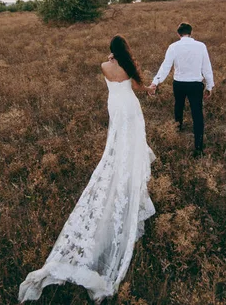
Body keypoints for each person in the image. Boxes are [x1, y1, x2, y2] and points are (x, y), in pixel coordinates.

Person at [18, 35, 156, 303]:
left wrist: (111, 60)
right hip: (129, 107)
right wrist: (148, 87)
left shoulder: (104, 66)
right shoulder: (128, 66)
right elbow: (138, 86)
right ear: (124, 50)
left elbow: (113, 75)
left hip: (115, 107)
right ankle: (128, 168)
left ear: (110, 51)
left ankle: (120, 161)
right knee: (131, 141)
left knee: (116, 140)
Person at [150, 22, 214, 155]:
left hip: (179, 83)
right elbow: (206, 68)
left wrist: (156, 82)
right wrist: (209, 86)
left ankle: (177, 130)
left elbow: (165, 66)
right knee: (197, 113)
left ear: (178, 34)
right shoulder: (201, 46)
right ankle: (198, 147)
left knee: (178, 106)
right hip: (195, 84)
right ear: (191, 33)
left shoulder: (173, 47)